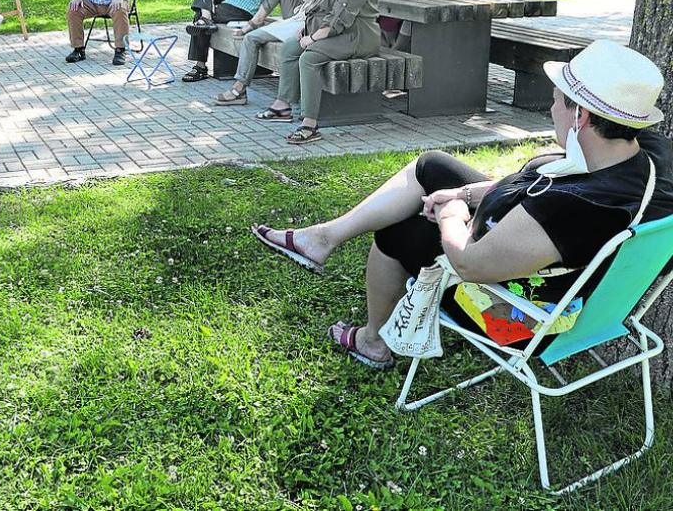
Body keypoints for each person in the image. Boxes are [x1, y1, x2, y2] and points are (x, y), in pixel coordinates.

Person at [252, 40, 673, 369]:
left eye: (557, 99)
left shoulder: (571, 207)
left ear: (580, 116)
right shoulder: (648, 154)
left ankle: (372, 340)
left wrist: (451, 213)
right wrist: (464, 193)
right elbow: (535, 186)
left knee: (399, 234)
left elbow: (472, 264)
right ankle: (324, 237)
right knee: (433, 166)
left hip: (524, 317)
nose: (550, 107)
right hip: (590, 292)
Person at [259, 0, 381, 145]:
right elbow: (322, 7)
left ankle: (310, 124)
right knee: (289, 48)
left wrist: (314, 38)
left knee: (309, 58)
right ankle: (284, 106)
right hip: (338, 32)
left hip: (358, 36)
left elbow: (340, 18)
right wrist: (306, 29)